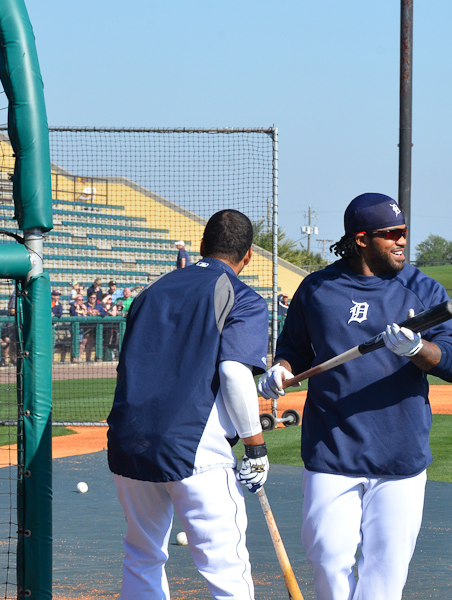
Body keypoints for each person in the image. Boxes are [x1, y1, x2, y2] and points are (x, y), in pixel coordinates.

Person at [257, 193, 452, 600]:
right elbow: (294, 350)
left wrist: (417, 349)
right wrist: (280, 369)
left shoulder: (423, 290)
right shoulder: (317, 289)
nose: (401, 241)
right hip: (331, 451)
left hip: (399, 456)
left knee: (384, 580)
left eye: (404, 232)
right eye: (391, 234)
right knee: (327, 561)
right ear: (361, 239)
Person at [107, 209, 271, 599]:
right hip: (195, 450)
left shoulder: (151, 291)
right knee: (226, 569)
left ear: (201, 245)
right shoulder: (242, 297)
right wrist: (255, 446)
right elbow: (234, 374)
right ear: (247, 256)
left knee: (142, 556)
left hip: (129, 444)